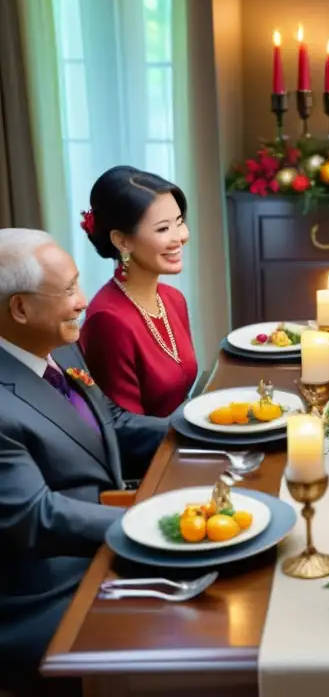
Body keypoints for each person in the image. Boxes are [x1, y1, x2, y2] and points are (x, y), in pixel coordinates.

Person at [0, 229, 167, 690]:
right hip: (47, 589)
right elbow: (35, 516)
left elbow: (112, 421)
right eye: (69, 289)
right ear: (19, 308)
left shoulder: (58, 344)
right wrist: (144, 522)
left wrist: (206, 428)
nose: (84, 300)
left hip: (104, 535)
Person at [79, 165, 198, 417]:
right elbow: (125, 428)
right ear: (122, 241)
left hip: (183, 441)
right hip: (154, 453)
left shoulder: (172, 299)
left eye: (179, 223)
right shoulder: (109, 320)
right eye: (163, 229)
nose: (180, 237)